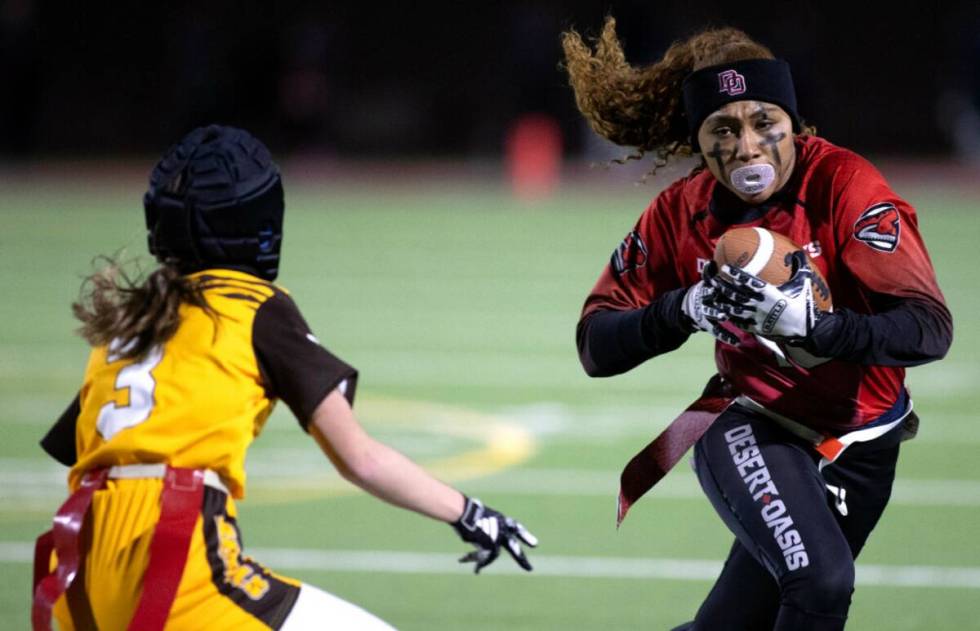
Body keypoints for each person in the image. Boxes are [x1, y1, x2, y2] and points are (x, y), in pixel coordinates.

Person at [32, 125, 537, 631]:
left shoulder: (127, 322)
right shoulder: (256, 308)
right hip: (177, 560)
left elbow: (83, 452)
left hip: (80, 571)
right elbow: (359, 458)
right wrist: (469, 513)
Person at [562, 18, 952, 631]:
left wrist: (818, 328)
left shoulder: (844, 184)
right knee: (821, 583)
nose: (746, 147)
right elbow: (595, 344)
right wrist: (682, 309)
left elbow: (929, 328)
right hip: (751, 422)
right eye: (723, 128)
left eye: (762, 122)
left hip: (863, 445)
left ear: (793, 123)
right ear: (699, 139)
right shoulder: (679, 212)